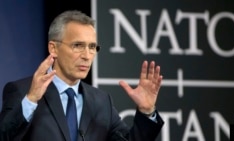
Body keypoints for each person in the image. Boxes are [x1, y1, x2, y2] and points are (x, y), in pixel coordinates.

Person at [0, 10, 164, 141]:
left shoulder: (101, 102)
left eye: (92, 47)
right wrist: (31, 100)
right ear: (53, 48)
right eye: (78, 45)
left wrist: (147, 112)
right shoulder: (23, 91)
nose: (87, 55)